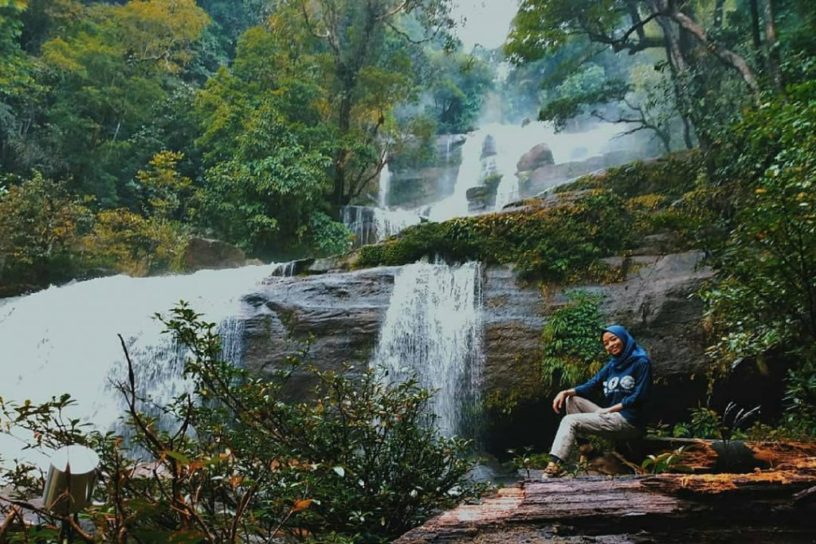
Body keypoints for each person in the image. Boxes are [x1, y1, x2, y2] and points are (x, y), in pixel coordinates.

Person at [543, 324, 652, 477]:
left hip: (629, 422)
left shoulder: (641, 362)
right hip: (612, 418)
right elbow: (591, 385)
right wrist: (565, 392)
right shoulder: (612, 365)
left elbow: (640, 396)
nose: (610, 345)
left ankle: (554, 465)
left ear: (624, 338)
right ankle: (586, 448)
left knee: (569, 421)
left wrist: (611, 409)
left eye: (613, 339)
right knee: (571, 400)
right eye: (606, 343)